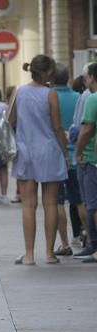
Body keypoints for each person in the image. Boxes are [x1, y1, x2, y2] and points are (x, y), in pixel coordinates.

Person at [8, 55, 69, 265]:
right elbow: (57, 126)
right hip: (49, 151)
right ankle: (50, 254)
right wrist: (66, 153)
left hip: (25, 151)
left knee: (28, 205)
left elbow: (11, 120)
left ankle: (29, 254)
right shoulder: (50, 94)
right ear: (49, 72)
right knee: (50, 203)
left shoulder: (19, 91)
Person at [51, 65, 82, 253]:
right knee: (80, 200)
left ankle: (65, 244)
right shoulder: (79, 97)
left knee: (58, 201)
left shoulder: (49, 97)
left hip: (56, 156)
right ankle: (88, 237)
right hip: (77, 154)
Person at [73, 62, 97, 262]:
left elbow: (87, 129)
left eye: (85, 77)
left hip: (92, 159)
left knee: (92, 204)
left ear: (91, 78)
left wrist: (78, 152)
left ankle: (95, 246)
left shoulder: (92, 99)